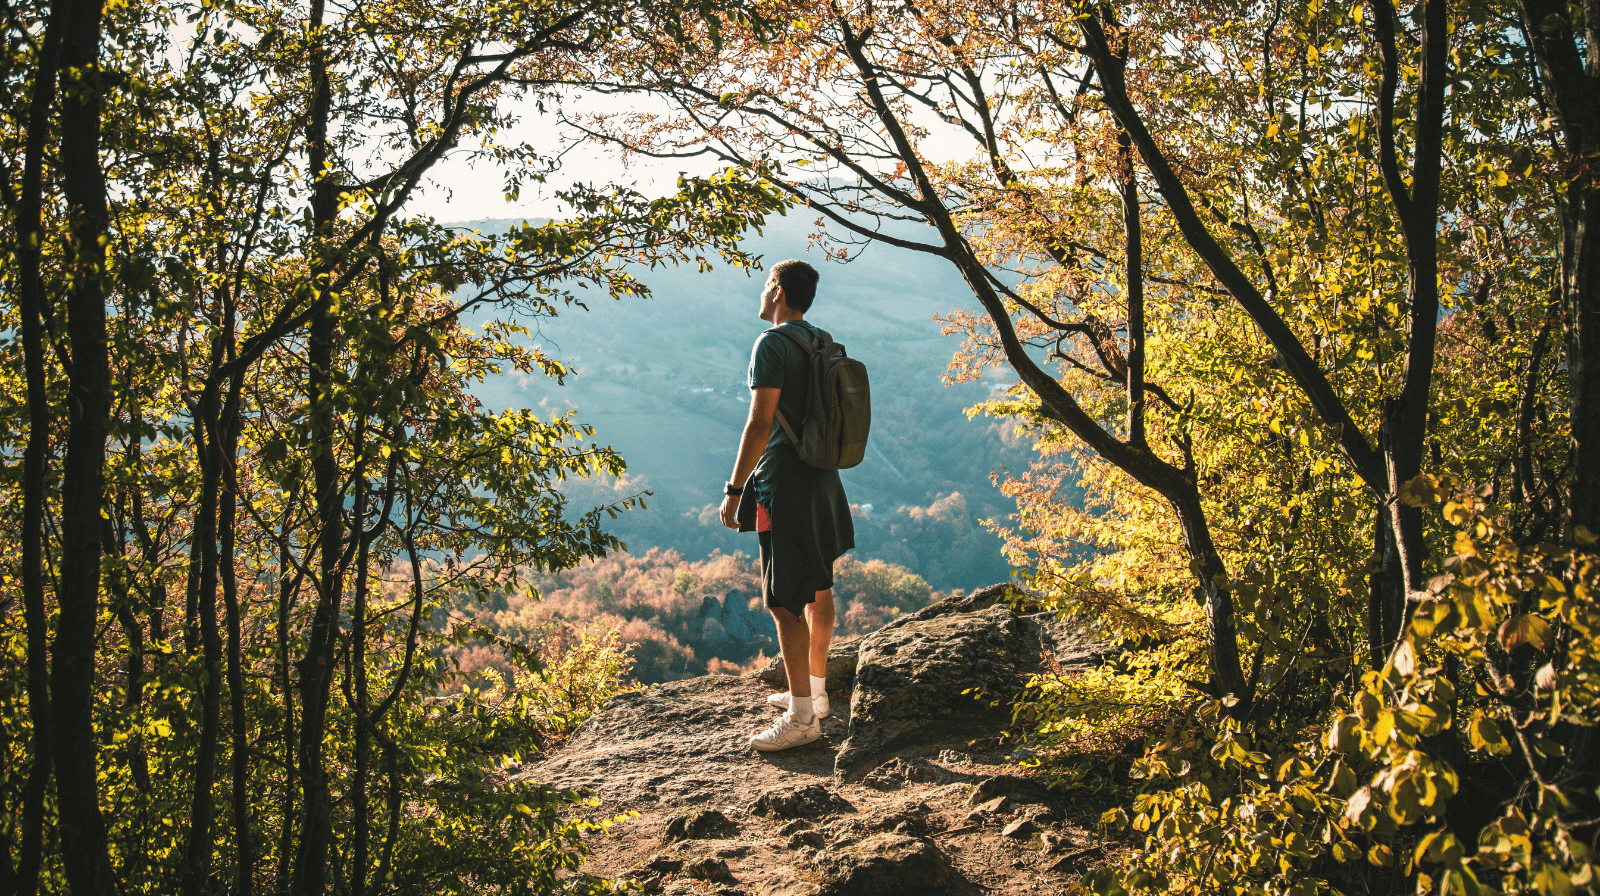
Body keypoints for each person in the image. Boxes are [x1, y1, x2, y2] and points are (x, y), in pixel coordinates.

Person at [719, 259, 855, 752]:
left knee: (781, 601)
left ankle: (801, 720)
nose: (760, 294)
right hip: (823, 476)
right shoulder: (820, 339)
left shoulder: (772, 344)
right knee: (818, 584)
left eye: (764, 285)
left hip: (785, 484)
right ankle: (814, 693)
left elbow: (760, 422)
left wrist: (734, 490)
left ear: (777, 290)